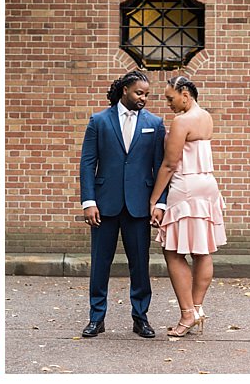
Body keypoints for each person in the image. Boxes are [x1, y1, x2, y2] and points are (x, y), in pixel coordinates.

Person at [79, 70, 167, 339]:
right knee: (100, 263)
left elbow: (161, 168)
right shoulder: (99, 121)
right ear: (125, 90)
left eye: (147, 95)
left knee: (139, 264)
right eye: (139, 93)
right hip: (104, 205)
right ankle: (96, 318)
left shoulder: (156, 123)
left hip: (139, 206)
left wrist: (160, 204)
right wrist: (89, 201)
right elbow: (87, 163)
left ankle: (140, 318)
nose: (143, 98)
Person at [149, 76, 227, 337]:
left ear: (185, 94)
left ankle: (186, 314)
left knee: (172, 251)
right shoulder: (206, 116)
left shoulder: (182, 121)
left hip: (187, 187)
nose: (168, 104)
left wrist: (154, 199)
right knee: (203, 251)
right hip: (208, 186)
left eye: (171, 98)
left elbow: (170, 165)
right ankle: (196, 308)